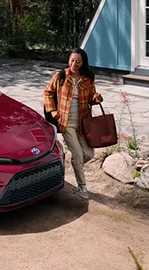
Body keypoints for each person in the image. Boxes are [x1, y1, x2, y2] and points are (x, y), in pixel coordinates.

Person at [43, 48, 103, 199]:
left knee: (89, 154)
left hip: (83, 122)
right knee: (77, 153)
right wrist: (52, 111)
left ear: (83, 63)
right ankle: (82, 185)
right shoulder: (61, 76)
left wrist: (96, 98)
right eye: (72, 60)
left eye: (78, 61)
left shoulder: (88, 78)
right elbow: (48, 93)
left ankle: (71, 163)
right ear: (68, 60)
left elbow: (91, 97)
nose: (74, 64)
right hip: (66, 121)